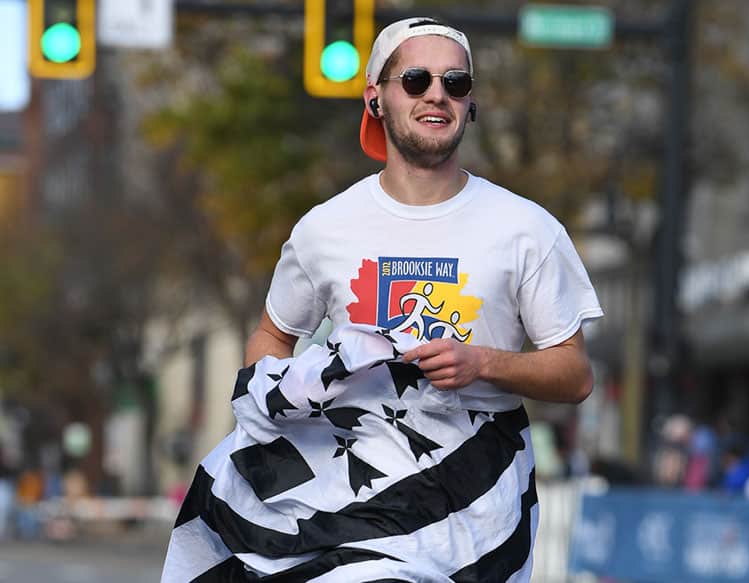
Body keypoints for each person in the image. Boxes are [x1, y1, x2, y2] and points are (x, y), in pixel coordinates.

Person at [165, 17, 602, 582]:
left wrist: (482, 363)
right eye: (416, 80)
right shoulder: (325, 229)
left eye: (456, 83)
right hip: (352, 477)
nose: (437, 94)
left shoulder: (527, 229)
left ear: (471, 104)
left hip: (475, 485)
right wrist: (275, 409)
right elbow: (273, 334)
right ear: (376, 97)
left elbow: (575, 374)